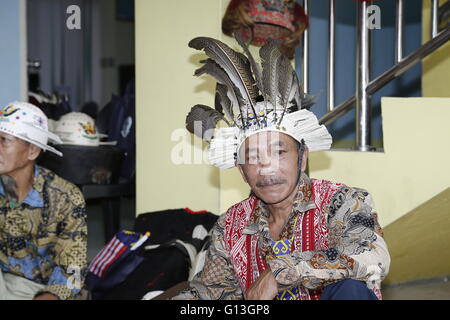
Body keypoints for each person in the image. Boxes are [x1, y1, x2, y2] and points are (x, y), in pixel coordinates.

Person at [174, 35, 390, 300]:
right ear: (241, 170)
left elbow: (372, 257)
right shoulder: (230, 226)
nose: (266, 167)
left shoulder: (342, 201)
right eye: (252, 157)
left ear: (302, 156)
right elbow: (209, 293)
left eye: (279, 152)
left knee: (350, 288)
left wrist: (280, 272)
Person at [0, 101, 87, 300]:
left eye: (4, 140)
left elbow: (72, 269)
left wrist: (49, 296)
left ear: (32, 151)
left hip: (43, 289)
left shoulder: (65, 197)